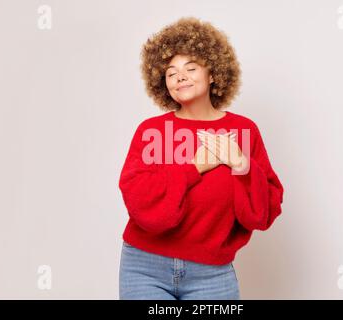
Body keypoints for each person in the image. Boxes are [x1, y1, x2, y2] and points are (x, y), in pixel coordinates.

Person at [118, 16, 284, 300]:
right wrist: (196, 166)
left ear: (213, 73)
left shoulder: (243, 131)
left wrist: (242, 166)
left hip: (212, 273)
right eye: (171, 73)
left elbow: (263, 213)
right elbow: (139, 201)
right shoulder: (151, 132)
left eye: (191, 68)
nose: (180, 76)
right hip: (144, 267)